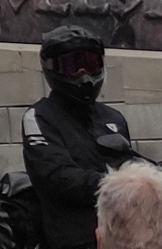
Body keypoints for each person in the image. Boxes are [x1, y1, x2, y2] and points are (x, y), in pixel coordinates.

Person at [21, 25, 136, 249]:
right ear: (52, 68)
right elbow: (57, 176)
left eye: (91, 65)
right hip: (72, 240)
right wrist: (120, 185)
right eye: (73, 66)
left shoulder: (113, 118)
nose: (84, 76)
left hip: (121, 239)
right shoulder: (39, 116)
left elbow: (131, 165)